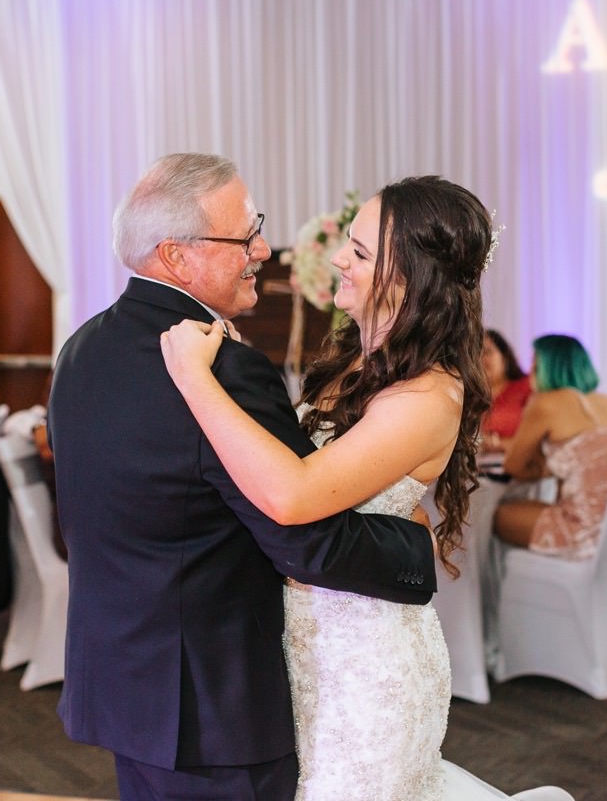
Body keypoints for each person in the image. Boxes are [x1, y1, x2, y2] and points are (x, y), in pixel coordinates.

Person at [48, 153, 438, 801]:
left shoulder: (82, 348)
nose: (263, 248)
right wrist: (415, 546)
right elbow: (304, 539)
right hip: (213, 706)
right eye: (245, 235)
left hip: (122, 685)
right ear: (176, 255)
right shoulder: (226, 370)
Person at [163, 174, 496, 800]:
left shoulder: (426, 395)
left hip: (367, 669)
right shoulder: (358, 363)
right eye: (348, 242)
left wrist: (195, 380)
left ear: (411, 277)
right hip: (309, 643)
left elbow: (294, 495)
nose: (339, 259)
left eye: (361, 253)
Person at [492, 334, 607, 558]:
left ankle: (523, 587)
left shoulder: (545, 402)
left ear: (548, 366)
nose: (530, 370)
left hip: (589, 530)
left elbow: (513, 466)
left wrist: (542, 466)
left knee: (494, 515)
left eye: (535, 363)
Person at [477, 329, 533, 460]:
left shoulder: (526, 387)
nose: (481, 359)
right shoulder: (470, 395)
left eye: (487, 352)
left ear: (505, 357)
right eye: (475, 354)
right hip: (481, 470)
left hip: (520, 468)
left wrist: (502, 444)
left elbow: (538, 440)